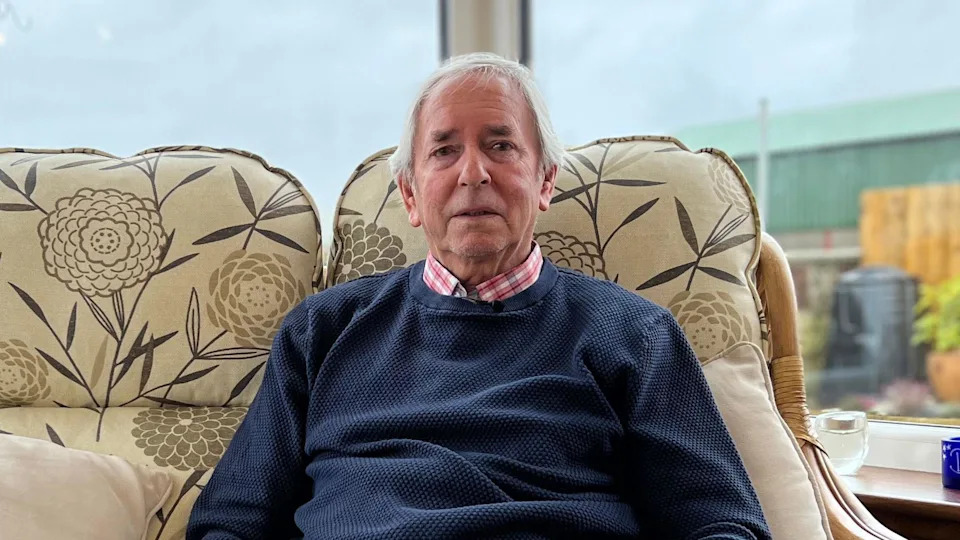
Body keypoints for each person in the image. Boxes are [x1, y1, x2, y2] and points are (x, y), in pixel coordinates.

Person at [187, 52, 771, 540]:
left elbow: (721, 523)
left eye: (500, 146)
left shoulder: (635, 337)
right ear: (410, 195)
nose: (473, 173)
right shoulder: (322, 332)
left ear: (544, 180)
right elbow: (231, 523)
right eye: (444, 150)